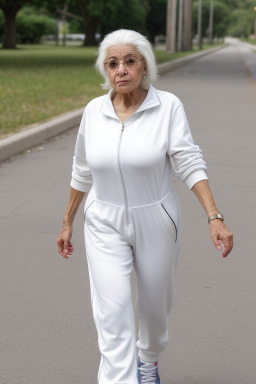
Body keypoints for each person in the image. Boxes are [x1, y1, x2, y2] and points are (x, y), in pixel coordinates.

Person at [56, 29, 233, 384]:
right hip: (103, 222)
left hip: (157, 219)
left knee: (154, 309)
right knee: (113, 312)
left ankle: (148, 359)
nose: (121, 69)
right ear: (105, 71)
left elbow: (188, 161)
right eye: (112, 63)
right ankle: (119, 379)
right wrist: (67, 222)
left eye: (130, 61)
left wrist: (214, 217)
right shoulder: (93, 111)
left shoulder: (167, 106)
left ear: (145, 67)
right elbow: (82, 169)